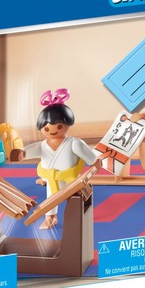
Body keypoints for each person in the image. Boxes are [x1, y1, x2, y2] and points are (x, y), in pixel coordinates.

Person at [10, 89, 101, 229]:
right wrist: (21, 153)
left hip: (70, 180)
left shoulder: (74, 143)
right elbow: (29, 150)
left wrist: (95, 163)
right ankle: (51, 218)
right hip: (51, 179)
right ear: (41, 128)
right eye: (46, 128)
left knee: (77, 200)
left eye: (59, 126)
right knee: (50, 199)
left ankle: (80, 215)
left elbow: (91, 158)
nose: (52, 131)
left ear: (67, 124)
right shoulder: (42, 146)